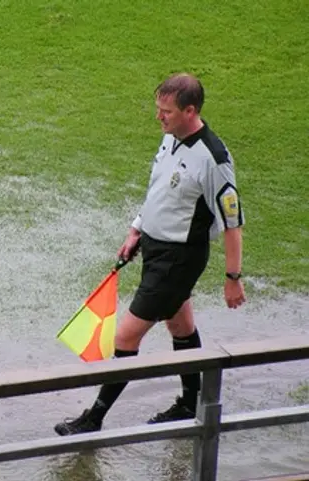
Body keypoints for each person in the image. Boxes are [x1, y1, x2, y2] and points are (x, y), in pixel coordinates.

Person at [54, 72, 246, 436]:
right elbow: (160, 191)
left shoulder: (214, 159)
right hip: (155, 250)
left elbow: (232, 222)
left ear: (190, 111)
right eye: (158, 109)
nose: (159, 117)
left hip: (178, 260)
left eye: (166, 111)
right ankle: (192, 403)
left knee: (125, 337)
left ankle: (93, 418)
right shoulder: (170, 139)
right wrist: (137, 229)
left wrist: (233, 278)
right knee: (180, 326)